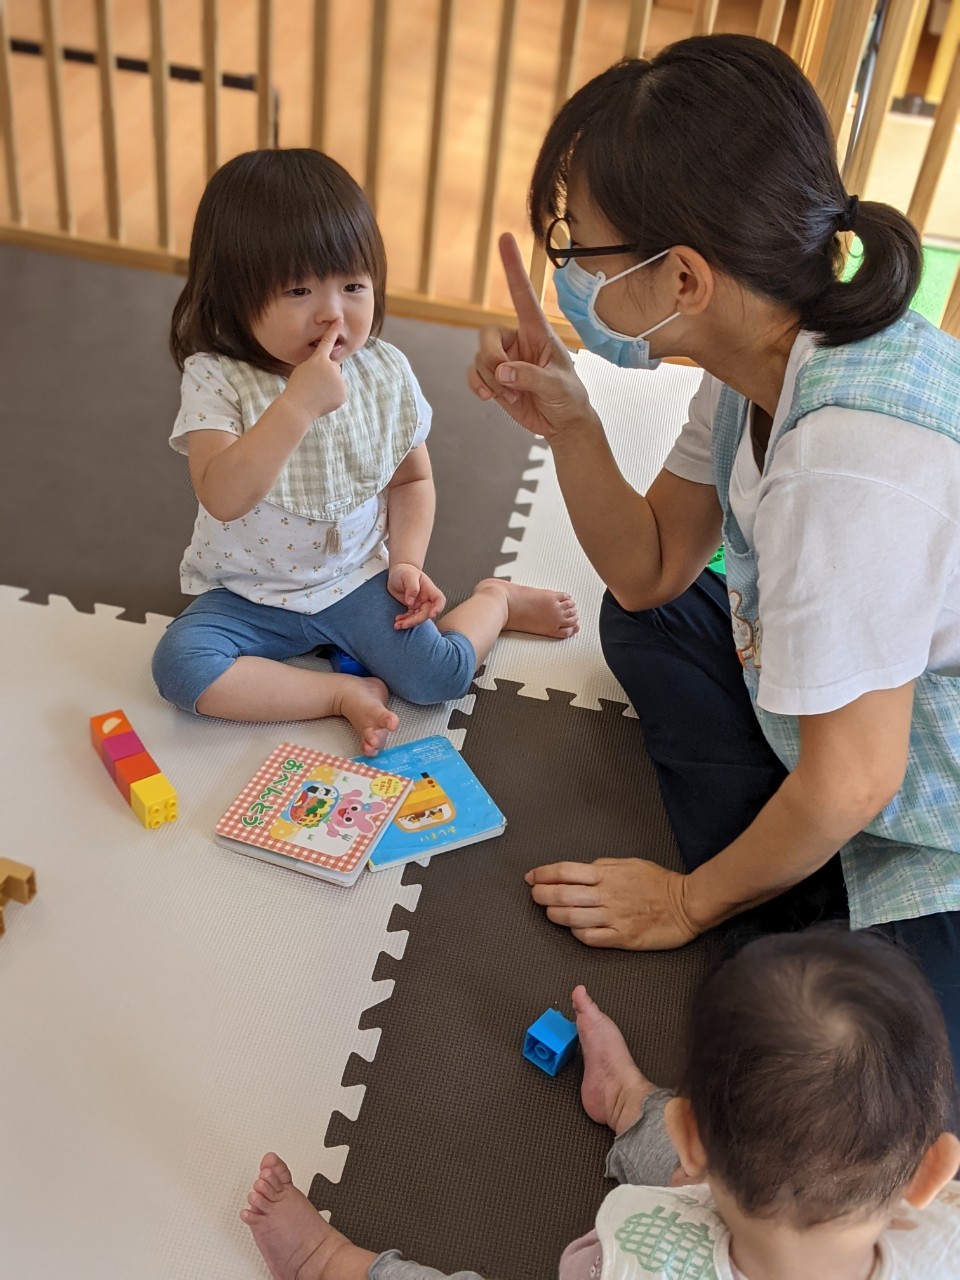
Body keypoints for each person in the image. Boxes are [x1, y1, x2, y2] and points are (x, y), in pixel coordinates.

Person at [466, 35, 960, 1068]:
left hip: (928, 806)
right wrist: (571, 421)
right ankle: (787, 883)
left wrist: (684, 902)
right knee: (647, 622)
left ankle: (772, 898)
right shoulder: (760, 353)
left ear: (683, 276)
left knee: (843, 1071)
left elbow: (856, 783)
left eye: (583, 250)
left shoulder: (847, 468)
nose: (572, 274)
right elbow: (651, 570)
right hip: (853, 721)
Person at [152, 149, 578, 754]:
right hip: (247, 593)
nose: (333, 312)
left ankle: (497, 601)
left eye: (353, 286)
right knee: (180, 666)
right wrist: (296, 406)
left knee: (440, 679)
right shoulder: (216, 377)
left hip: (353, 581)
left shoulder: (382, 371)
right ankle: (338, 693)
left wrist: (405, 562)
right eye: (299, 290)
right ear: (233, 295)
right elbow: (222, 496)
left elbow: (411, 481)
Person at [240, 930, 960, 1280]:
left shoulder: (637, 1259)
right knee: (772, 1157)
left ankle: (326, 1262)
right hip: (738, 1194)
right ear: (933, 1171)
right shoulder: (944, 1240)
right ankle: (621, 1099)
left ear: (691, 1137)